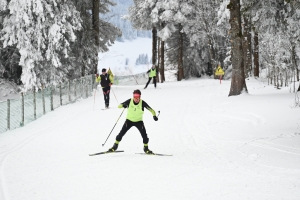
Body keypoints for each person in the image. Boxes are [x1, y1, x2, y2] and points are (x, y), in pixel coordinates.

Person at [108, 89, 158, 154]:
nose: (136, 99)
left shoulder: (142, 103)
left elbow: (152, 110)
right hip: (129, 121)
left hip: (139, 121)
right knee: (121, 133)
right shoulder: (129, 101)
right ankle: (115, 146)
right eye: (135, 97)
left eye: (137, 97)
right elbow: (119, 106)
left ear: (140, 97)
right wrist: (124, 105)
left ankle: (146, 148)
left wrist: (154, 116)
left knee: (144, 136)